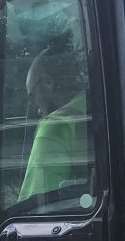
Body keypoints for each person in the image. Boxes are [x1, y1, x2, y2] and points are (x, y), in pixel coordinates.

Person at [18, 42, 93, 204]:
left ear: (47, 82)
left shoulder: (55, 126)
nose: (38, 111)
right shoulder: (101, 110)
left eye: (33, 97)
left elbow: (33, 210)